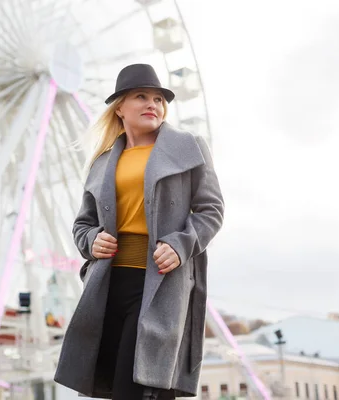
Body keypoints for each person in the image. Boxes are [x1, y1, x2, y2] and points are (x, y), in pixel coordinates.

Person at [54, 64, 225, 400]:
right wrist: (91, 241)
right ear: (119, 107)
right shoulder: (102, 161)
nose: (153, 104)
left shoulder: (189, 147)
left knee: (142, 386)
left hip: (159, 281)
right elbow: (83, 224)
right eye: (141, 96)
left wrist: (180, 245)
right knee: (118, 386)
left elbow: (211, 210)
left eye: (159, 99)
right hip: (106, 285)